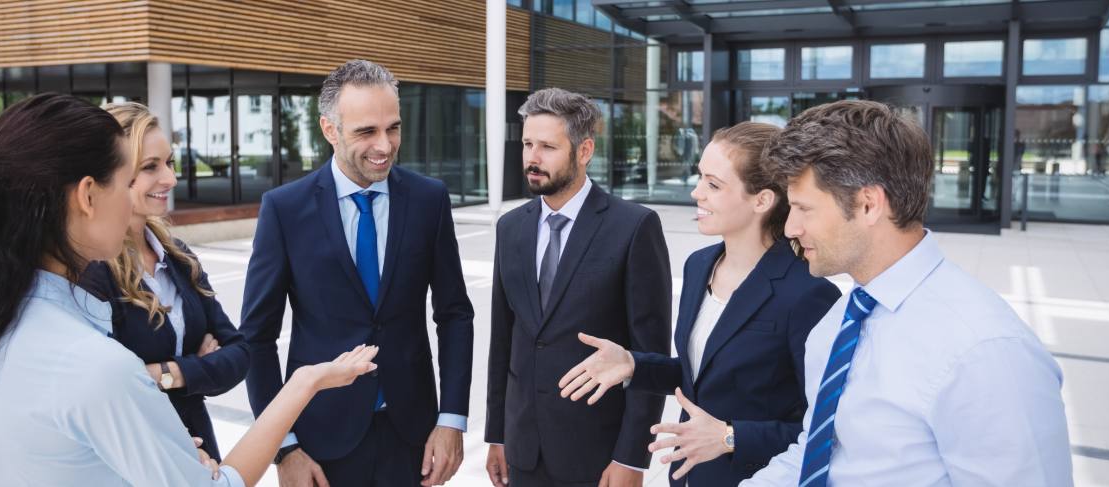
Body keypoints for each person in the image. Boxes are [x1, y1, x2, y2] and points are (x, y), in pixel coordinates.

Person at [0, 92, 378, 487]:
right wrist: (304, 383)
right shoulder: (95, 365)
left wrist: (165, 434)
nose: (163, 183)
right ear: (89, 195)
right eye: (129, 177)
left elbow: (234, 350)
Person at [740, 100, 1071, 486]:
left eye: (803, 208)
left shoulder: (985, 349)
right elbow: (818, 455)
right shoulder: (838, 320)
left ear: (868, 204)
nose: (791, 228)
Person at [558, 122, 840, 486]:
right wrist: (633, 364)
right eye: (700, 178)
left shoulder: (809, 293)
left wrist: (729, 436)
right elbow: (703, 376)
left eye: (713, 184)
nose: (696, 193)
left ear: (762, 200)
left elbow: (823, 432)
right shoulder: (698, 265)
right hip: (688, 476)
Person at [239, 59, 474, 487]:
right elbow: (256, 337)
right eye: (366, 131)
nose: (384, 145)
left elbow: (455, 314)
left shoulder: (429, 200)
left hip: (414, 439)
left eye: (393, 128)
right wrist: (284, 447)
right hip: (319, 443)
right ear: (330, 130)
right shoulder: (284, 210)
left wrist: (452, 420)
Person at [485, 88, 671, 487]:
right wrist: (497, 435)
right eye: (527, 144)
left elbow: (650, 350)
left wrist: (632, 459)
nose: (532, 158)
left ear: (584, 151)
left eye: (548, 147)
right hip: (523, 451)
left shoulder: (634, 227)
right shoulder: (510, 227)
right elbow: (503, 339)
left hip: (598, 456)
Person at [78, 102, 250, 460]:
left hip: (202, 454)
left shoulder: (178, 254)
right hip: (139, 459)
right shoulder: (89, 271)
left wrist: (164, 374)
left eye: (169, 163)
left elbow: (238, 355)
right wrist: (195, 368)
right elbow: (100, 390)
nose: (170, 179)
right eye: (150, 167)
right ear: (110, 175)